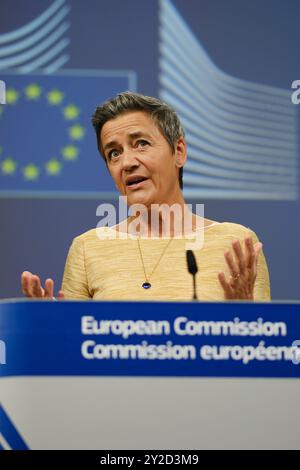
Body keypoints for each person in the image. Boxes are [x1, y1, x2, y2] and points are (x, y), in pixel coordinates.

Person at [21, 92, 271, 301]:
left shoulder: (237, 243)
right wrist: (52, 329)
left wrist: (246, 317)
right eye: (114, 153)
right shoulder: (88, 249)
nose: (127, 162)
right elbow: (76, 353)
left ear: (179, 151)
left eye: (141, 143)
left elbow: (264, 352)